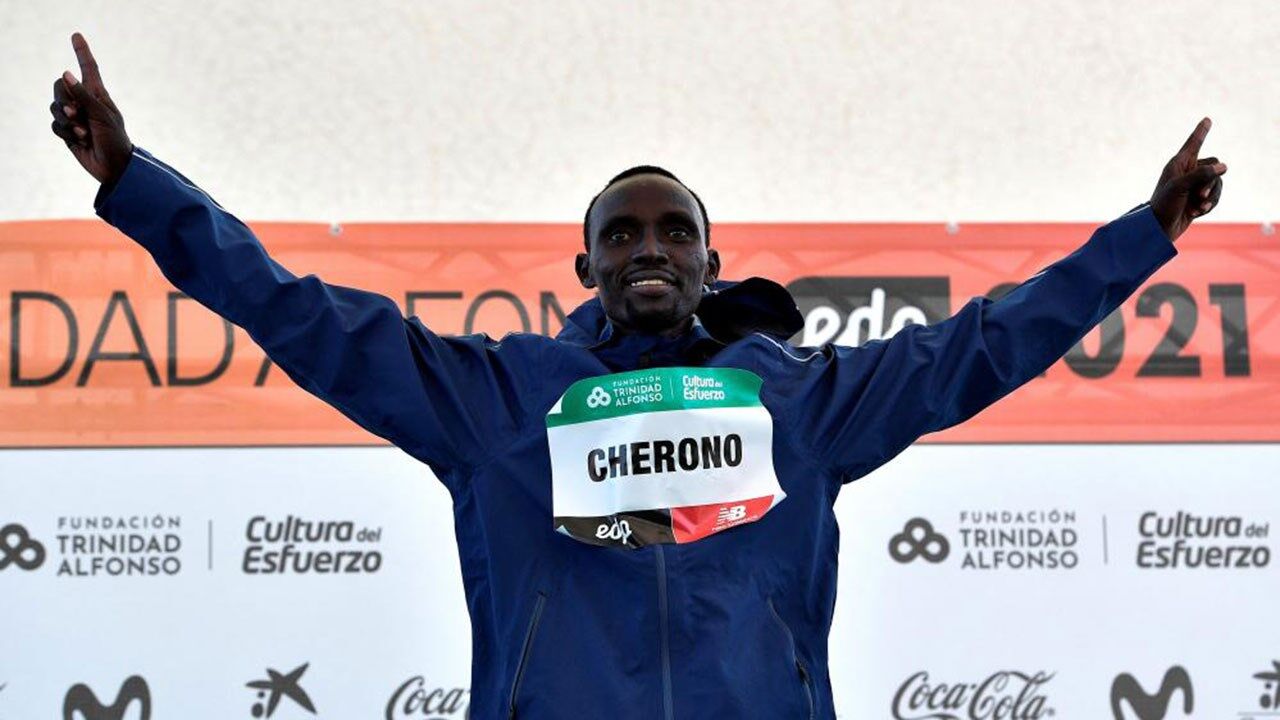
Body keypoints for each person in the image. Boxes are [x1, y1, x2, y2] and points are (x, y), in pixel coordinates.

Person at [48, 32, 1226, 720]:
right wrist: (137, 185)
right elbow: (297, 314)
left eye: (672, 231)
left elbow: (980, 345)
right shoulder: (503, 401)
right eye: (620, 234)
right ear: (585, 266)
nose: (647, 247)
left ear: (711, 261)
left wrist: (1143, 236)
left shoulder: (792, 404)